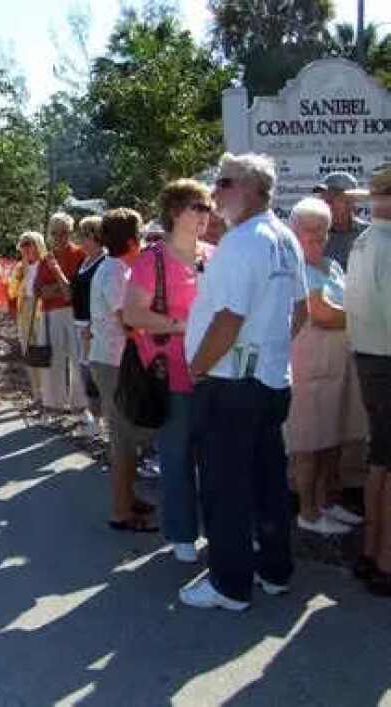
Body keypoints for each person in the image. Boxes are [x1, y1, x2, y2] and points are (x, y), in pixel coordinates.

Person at [181, 153, 308, 611]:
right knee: (268, 480)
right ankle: (274, 570)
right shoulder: (285, 238)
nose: (215, 193)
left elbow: (228, 319)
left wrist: (197, 366)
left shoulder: (241, 243)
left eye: (225, 183)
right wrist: (269, 353)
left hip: (231, 384)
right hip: (271, 381)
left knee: (225, 487)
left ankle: (229, 584)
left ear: (253, 189)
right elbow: (301, 312)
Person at [122, 179, 215, 562]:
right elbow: (132, 314)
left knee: (214, 457)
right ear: (176, 212)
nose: (207, 215)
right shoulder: (151, 260)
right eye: (199, 207)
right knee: (176, 457)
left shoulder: (213, 255)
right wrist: (183, 325)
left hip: (214, 372)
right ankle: (180, 532)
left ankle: (216, 527)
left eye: (209, 207)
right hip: (172, 373)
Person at [284, 197, 368, 536]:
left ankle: (327, 502)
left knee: (334, 438)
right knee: (308, 444)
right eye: (309, 230)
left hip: (338, 367)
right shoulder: (295, 269)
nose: (317, 236)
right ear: (293, 231)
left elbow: (342, 309)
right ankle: (308, 511)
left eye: (323, 230)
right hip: (307, 371)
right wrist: (364, 320)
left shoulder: (331, 266)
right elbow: (323, 314)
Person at [88, 208, 155, 532]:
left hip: (116, 360)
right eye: (141, 235)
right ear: (130, 241)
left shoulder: (117, 268)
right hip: (113, 362)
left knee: (128, 436)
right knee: (124, 439)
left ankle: (127, 496)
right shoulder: (114, 272)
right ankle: (121, 511)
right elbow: (128, 322)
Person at [345, 163, 391, 597]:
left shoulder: (364, 240)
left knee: (381, 461)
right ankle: (384, 561)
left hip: (370, 357)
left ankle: (372, 551)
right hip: (386, 360)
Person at [34, 212, 88, 425]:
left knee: (77, 359)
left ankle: (80, 406)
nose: (59, 237)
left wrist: (55, 287)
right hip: (51, 313)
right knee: (53, 359)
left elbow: (72, 292)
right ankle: (53, 404)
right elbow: (39, 291)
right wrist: (60, 289)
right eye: (55, 233)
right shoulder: (45, 258)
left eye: (64, 232)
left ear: (70, 232)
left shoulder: (79, 254)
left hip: (75, 313)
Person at [71, 216, 105, 433]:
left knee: (92, 372)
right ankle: (94, 418)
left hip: (91, 325)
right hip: (79, 321)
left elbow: (100, 297)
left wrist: (91, 326)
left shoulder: (103, 261)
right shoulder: (85, 261)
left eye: (85, 236)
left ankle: (99, 421)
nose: (81, 240)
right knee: (84, 370)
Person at [9, 231, 49, 410]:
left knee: (43, 352)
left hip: (43, 310)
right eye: (23, 245)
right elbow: (11, 292)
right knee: (29, 351)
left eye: (29, 244)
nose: (25, 248)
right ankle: (37, 395)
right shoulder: (20, 268)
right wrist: (19, 276)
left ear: (38, 245)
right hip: (25, 309)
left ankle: (49, 396)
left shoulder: (47, 264)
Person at [313, 171, 369, 271]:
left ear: (351, 201)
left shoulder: (369, 234)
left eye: (332, 198)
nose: (326, 204)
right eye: (324, 198)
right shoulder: (313, 236)